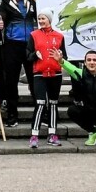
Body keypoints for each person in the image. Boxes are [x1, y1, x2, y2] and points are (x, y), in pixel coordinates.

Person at [0, 0, 36, 127]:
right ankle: (12, 115)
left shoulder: (31, 3)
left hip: (30, 45)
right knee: (11, 81)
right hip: (12, 45)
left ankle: (40, 113)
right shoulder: (6, 3)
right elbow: (0, 17)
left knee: (33, 80)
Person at [26, 10, 66, 147]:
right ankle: (34, 135)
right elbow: (28, 55)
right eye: (39, 19)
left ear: (49, 19)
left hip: (55, 74)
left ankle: (52, 134)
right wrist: (35, 55)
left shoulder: (59, 36)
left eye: (43, 18)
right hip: (39, 74)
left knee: (53, 103)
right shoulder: (34, 35)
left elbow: (64, 57)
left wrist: (60, 58)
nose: (41, 21)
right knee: (40, 103)